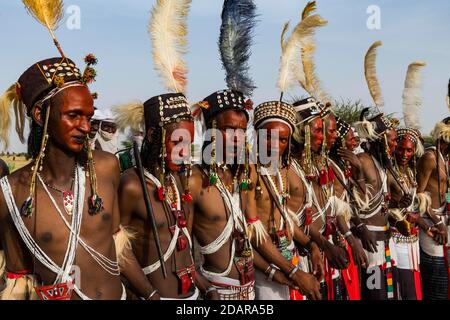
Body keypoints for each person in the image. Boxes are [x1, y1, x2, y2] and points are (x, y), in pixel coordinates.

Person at [0, 3, 144, 300]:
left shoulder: (106, 169)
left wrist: (152, 295)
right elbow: (18, 285)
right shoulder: (11, 193)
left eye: (89, 117)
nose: (85, 126)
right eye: (74, 115)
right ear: (41, 115)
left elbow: (118, 251)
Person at [252, 100, 323, 300]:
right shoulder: (248, 172)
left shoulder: (282, 169)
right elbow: (251, 235)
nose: (275, 146)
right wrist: (292, 272)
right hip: (267, 266)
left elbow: (285, 220)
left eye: (282, 140)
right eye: (269, 137)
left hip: (289, 257)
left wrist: (311, 245)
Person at [417, 115, 450, 300]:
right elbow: (419, 196)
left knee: (445, 277)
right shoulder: (430, 158)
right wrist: (437, 222)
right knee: (437, 278)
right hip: (431, 221)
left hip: (443, 221)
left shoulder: (444, 158)